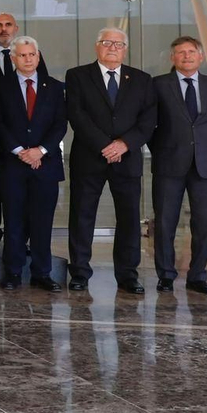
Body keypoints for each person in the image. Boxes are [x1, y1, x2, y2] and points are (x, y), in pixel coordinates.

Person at [65, 27, 156, 294]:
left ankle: (128, 274)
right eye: (107, 42)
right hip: (89, 157)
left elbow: (148, 119)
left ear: (125, 49)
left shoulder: (142, 79)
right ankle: (80, 272)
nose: (112, 47)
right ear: (97, 46)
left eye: (118, 44)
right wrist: (105, 145)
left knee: (128, 219)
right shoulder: (78, 76)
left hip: (127, 159)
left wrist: (124, 144)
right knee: (82, 217)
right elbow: (76, 114)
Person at [150, 35, 207, 295]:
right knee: (164, 223)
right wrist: (163, 149)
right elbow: (149, 124)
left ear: (200, 56)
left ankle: (197, 276)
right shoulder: (158, 85)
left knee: (204, 223)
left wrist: (206, 146)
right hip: (168, 163)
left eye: (191, 52)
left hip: (205, 165)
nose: (186, 56)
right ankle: (165, 275)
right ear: (172, 58)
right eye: (181, 53)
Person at [0, 36, 67, 290]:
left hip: (45, 165)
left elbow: (60, 124)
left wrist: (40, 150)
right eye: (22, 55)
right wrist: (20, 151)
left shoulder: (55, 87)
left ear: (38, 57)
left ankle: (42, 273)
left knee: (42, 222)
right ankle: (13, 273)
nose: (28, 59)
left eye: (32, 55)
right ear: (13, 58)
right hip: (12, 165)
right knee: (13, 221)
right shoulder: (0, 86)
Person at [0, 12, 39, 256]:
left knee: (22, 202)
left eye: (8, 25)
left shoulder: (32, 57)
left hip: (24, 147)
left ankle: (21, 244)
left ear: (16, 28)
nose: (4, 29)